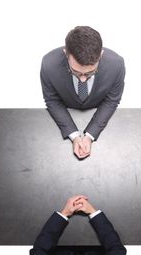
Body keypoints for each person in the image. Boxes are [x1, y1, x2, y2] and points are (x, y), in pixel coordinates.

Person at [40, 26, 126, 159]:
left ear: (101, 55)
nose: (83, 79)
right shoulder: (48, 64)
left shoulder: (117, 65)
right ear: (65, 53)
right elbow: (52, 100)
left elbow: (111, 100)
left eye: (90, 72)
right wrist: (74, 136)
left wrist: (89, 136)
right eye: (76, 72)